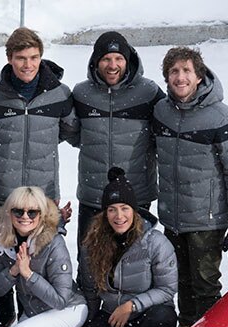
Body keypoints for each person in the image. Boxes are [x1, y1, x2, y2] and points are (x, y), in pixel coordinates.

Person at [36, 168, 178, 327]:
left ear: (135, 211)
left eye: (124, 208)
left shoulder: (155, 242)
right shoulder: (92, 243)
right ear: (104, 213)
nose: (119, 216)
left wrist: (132, 305)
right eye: (112, 209)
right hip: (112, 314)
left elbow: (167, 289)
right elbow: (91, 292)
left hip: (149, 312)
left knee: (163, 318)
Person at [153, 46, 228, 327]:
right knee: (180, 282)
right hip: (172, 217)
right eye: (174, 71)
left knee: (205, 284)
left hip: (206, 220)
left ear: (199, 76)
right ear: (167, 77)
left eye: (187, 71)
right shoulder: (161, 112)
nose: (180, 77)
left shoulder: (222, 117)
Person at [68, 31, 164, 250]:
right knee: (90, 260)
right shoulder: (82, 93)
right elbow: (74, 133)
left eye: (119, 58)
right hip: (93, 193)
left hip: (136, 195)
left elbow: (164, 131)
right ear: (96, 62)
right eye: (106, 59)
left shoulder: (148, 92)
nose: (113, 65)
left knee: (135, 262)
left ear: (127, 61)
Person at [0, 186, 87, 327]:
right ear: (9, 212)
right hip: (33, 312)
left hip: (68, 309)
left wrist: (29, 275)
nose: (25, 216)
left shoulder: (54, 243)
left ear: (41, 214)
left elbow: (60, 299)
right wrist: (13, 271)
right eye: (18, 211)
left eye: (32, 212)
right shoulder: (3, 241)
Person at [0, 27, 76, 207]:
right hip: (3, 194)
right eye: (21, 58)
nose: (28, 65)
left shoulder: (60, 95)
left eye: (34, 57)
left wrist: (39, 139)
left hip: (43, 195)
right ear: (9, 58)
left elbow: (70, 131)